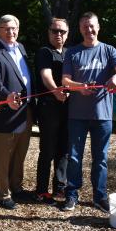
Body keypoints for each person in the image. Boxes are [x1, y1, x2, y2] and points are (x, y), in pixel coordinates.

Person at [61, 11, 116, 212]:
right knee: (74, 157)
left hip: (103, 114)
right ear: (80, 29)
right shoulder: (72, 53)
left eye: (92, 26)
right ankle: (71, 194)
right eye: (84, 26)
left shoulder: (109, 50)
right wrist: (79, 86)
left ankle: (99, 196)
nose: (89, 30)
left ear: (98, 27)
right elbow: (65, 81)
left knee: (100, 158)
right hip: (77, 115)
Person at [0, 14, 34, 210]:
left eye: (13, 28)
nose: (10, 32)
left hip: (25, 109)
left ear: (18, 29)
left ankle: (16, 186)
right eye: (5, 28)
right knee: (3, 155)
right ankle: (2, 193)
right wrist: (7, 95)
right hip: (5, 110)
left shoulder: (21, 48)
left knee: (20, 152)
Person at [34, 18, 70, 205]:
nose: (58, 35)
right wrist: (56, 91)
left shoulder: (68, 53)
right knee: (47, 149)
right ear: (49, 32)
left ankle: (60, 187)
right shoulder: (45, 52)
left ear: (68, 33)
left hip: (67, 108)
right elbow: (45, 74)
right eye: (55, 31)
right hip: (49, 107)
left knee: (64, 149)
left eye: (62, 31)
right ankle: (41, 190)